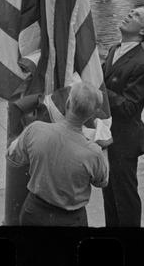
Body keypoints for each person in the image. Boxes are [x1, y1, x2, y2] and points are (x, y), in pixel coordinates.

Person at [6, 81, 109, 227]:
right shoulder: (94, 152)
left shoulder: (35, 129)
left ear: (67, 103)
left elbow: (12, 155)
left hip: (34, 213)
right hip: (71, 221)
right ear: (92, 114)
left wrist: (26, 129)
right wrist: (104, 144)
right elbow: (102, 181)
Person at [101, 7, 144, 227]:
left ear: (143, 30)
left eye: (135, 16)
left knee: (125, 197)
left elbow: (131, 107)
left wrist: (101, 91)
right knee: (109, 194)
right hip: (108, 133)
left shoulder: (142, 64)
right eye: (130, 12)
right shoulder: (116, 48)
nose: (128, 15)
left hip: (124, 140)